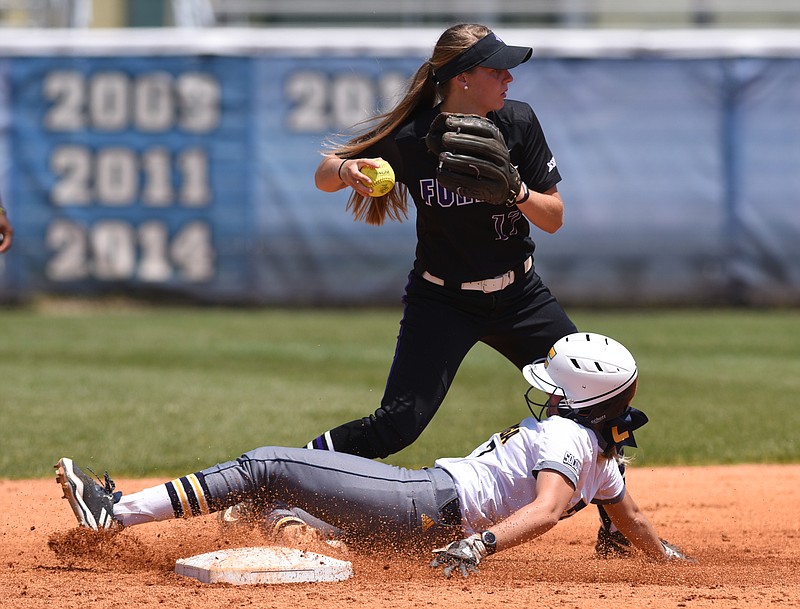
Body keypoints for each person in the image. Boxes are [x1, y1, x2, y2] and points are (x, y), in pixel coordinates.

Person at [308, 23, 645, 556]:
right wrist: (350, 169)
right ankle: (293, 474)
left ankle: (616, 532)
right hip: (443, 300)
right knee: (397, 423)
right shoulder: (414, 137)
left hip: (520, 297)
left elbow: (553, 218)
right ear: (463, 78)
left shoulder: (518, 122)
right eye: (497, 68)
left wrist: (514, 190)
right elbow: (325, 173)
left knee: (600, 399)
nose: (509, 77)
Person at [55, 333, 695, 577]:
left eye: (554, 385)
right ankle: (307, 528)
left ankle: (114, 511)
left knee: (269, 465)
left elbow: (551, 508)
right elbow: (635, 527)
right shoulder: (601, 451)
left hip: (427, 503)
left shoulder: (563, 439)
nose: (543, 390)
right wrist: (673, 565)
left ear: (579, 396)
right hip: (424, 525)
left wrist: (483, 546)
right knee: (283, 495)